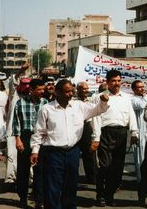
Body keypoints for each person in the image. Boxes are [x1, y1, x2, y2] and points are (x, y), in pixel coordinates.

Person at [30, 79, 109, 209]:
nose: (70, 94)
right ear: (57, 92)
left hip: (73, 152)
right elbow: (39, 132)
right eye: (67, 92)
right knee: (53, 186)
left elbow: (98, 110)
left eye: (71, 91)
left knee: (71, 185)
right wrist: (35, 151)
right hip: (53, 153)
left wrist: (104, 101)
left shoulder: (79, 106)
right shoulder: (46, 109)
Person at [91, 69, 139, 206]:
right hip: (106, 133)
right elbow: (96, 118)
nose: (116, 83)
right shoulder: (99, 97)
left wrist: (134, 132)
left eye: (119, 81)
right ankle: (100, 195)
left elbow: (131, 115)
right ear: (107, 82)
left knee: (117, 168)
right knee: (105, 166)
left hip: (122, 133)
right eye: (113, 81)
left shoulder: (126, 97)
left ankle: (109, 195)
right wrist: (96, 138)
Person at [12, 78, 48, 208]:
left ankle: (39, 199)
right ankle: (22, 197)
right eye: (39, 89)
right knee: (23, 169)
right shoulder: (20, 103)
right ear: (31, 90)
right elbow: (16, 122)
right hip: (25, 137)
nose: (42, 92)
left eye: (42, 89)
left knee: (40, 170)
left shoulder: (45, 103)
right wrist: (18, 139)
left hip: (41, 138)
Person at [74, 82, 96, 184]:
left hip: (87, 128)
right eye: (83, 89)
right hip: (75, 128)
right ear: (78, 90)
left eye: (87, 89)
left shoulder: (91, 101)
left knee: (88, 153)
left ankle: (91, 177)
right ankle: (73, 176)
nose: (85, 91)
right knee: (74, 154)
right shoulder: (73, 101)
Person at [131, 80, 147, 183]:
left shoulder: (144, 98)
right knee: (140, 157)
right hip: (138, 131)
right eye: (139, 87)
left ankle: (146, 178)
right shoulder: (133, 99)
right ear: (134, 89)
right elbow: (142, 105)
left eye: (143, 87)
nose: (142, 89)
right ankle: (141, 179)